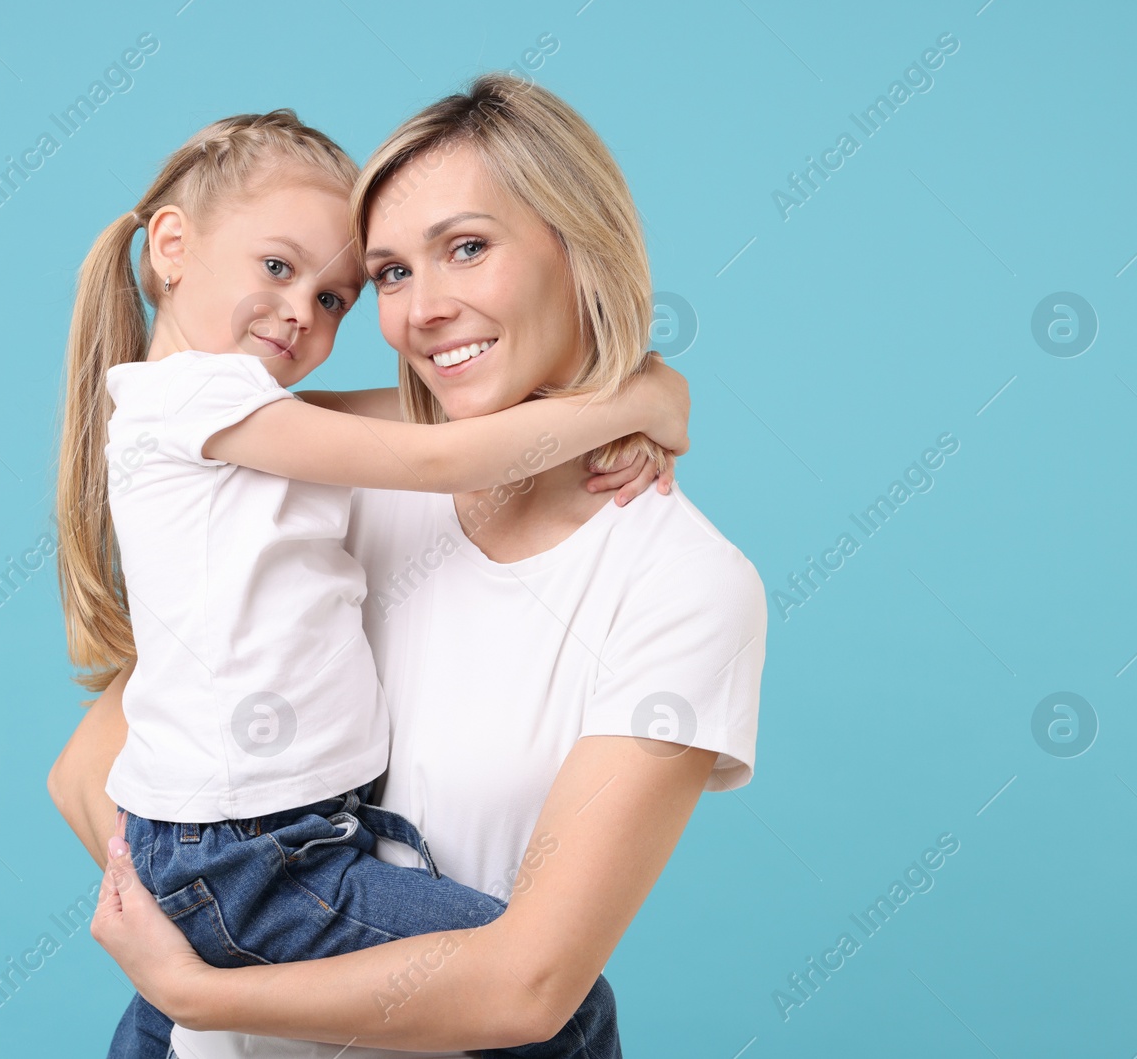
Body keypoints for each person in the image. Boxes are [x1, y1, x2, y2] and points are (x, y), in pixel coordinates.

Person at [51, 73, 766, 1058]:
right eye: (390, 273)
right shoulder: (331, 484)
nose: (421, 309)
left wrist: (213, 984)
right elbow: (87, 764)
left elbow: (526, 986)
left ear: (579, 243)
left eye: (465, 247)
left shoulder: (679, 584)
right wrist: (206, 965)